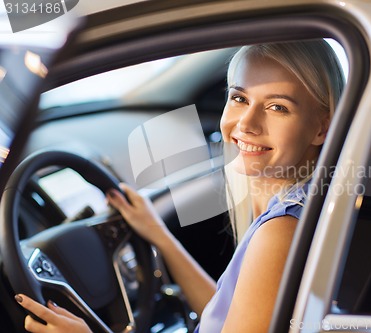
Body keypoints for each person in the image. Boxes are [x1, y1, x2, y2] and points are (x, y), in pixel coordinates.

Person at [15, 39, 344, 333]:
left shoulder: (281, 231)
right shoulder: (296, 208)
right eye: (240, 98)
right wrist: (160, 236)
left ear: (321, 128)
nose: (246, 123)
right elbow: (224, 313)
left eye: (277, 107)